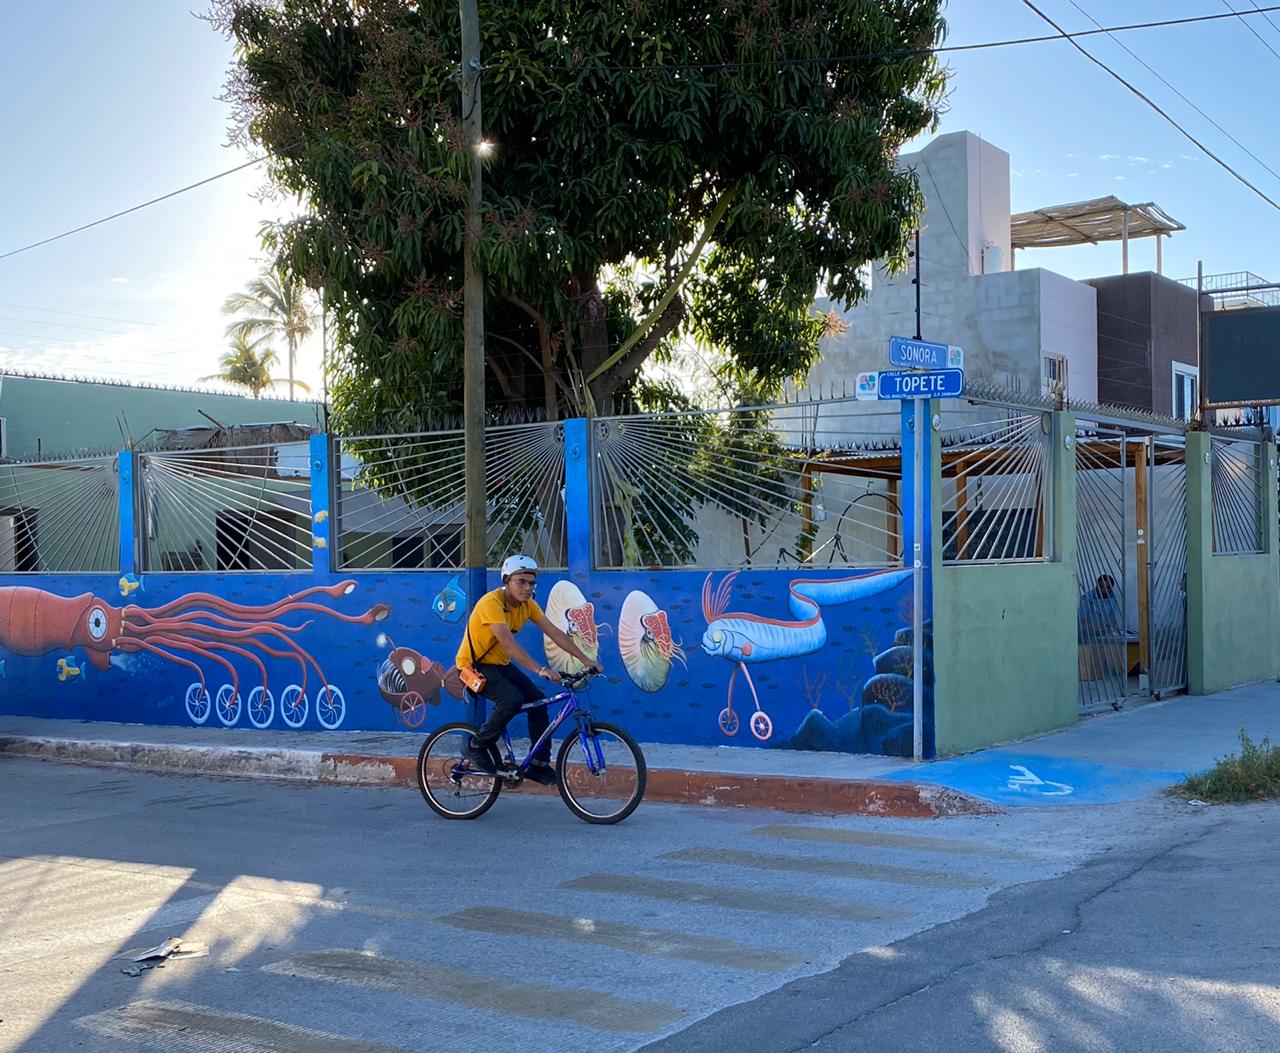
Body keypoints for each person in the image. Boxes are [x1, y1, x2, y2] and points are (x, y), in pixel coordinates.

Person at [456, 554, 602, 784]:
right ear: (507, 580)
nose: (527, 587)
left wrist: (586, 660)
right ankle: (476, 745)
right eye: (521, 581)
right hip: (475, 666)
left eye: (531, 582)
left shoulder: (528, 606)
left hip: (500, 665)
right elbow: (507, 643)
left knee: (538, 702)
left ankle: (538, 764)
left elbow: (555, 633)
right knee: (511, 700)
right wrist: (540, 669)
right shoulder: (490, 603)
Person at [1078, 573, 1121, 643]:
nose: (1104, 590)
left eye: (1108, 587)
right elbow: (1082, 621)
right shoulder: (1086, 598)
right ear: (1096, 585)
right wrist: (1100, 626)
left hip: (1105, 637)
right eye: (1101, 586)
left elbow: (1113, 621)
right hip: (1086, 637)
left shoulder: (1112, 599)